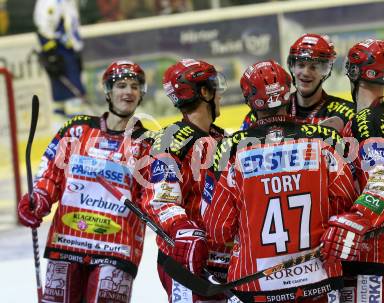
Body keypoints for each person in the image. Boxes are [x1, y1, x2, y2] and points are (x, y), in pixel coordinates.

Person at [204, 60, 358, 303]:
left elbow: (218, 228)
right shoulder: (325, 139)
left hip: (255, 284)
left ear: (248, 99)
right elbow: (346, 202)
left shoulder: (230, 149)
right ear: (289, 92)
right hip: (318, 281)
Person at [17, 60, 150, 302]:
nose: (128, 91)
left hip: (117, 250)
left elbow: (153, 196)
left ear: (142, 93)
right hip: (67, 243)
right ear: (108, 91)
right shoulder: (75, 130)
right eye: (121, 85)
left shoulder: (148, 144)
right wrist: (39, 199)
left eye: (134, 86)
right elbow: (51, 175)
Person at [320, 39, 384, 303]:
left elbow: (383, 175)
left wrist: (359, 217)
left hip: (372, 252)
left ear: (353, 72)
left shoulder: (369, 120)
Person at [139, 58, 227, 302]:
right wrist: (183, 229)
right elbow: (161, 200)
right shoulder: (171, 139)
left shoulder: (223, 139)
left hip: (219, 262)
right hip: (185, 259)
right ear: (205, 92)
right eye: (215, 88)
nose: (219, 94)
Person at [241, 33, 355, 132]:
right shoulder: (269, 109)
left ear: (325, 71)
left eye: (313, 67)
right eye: (301, 65)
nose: (305, 73)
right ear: (292, 67)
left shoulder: (346, 113)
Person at [34, 0, 86, 121]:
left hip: (70, 53)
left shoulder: (67, 2)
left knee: (66, 100)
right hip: (61, 54)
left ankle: (66, 136)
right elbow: (44, 30)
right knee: (72, 99)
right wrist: (51, 56)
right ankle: (73, 136)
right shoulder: (51, 3)